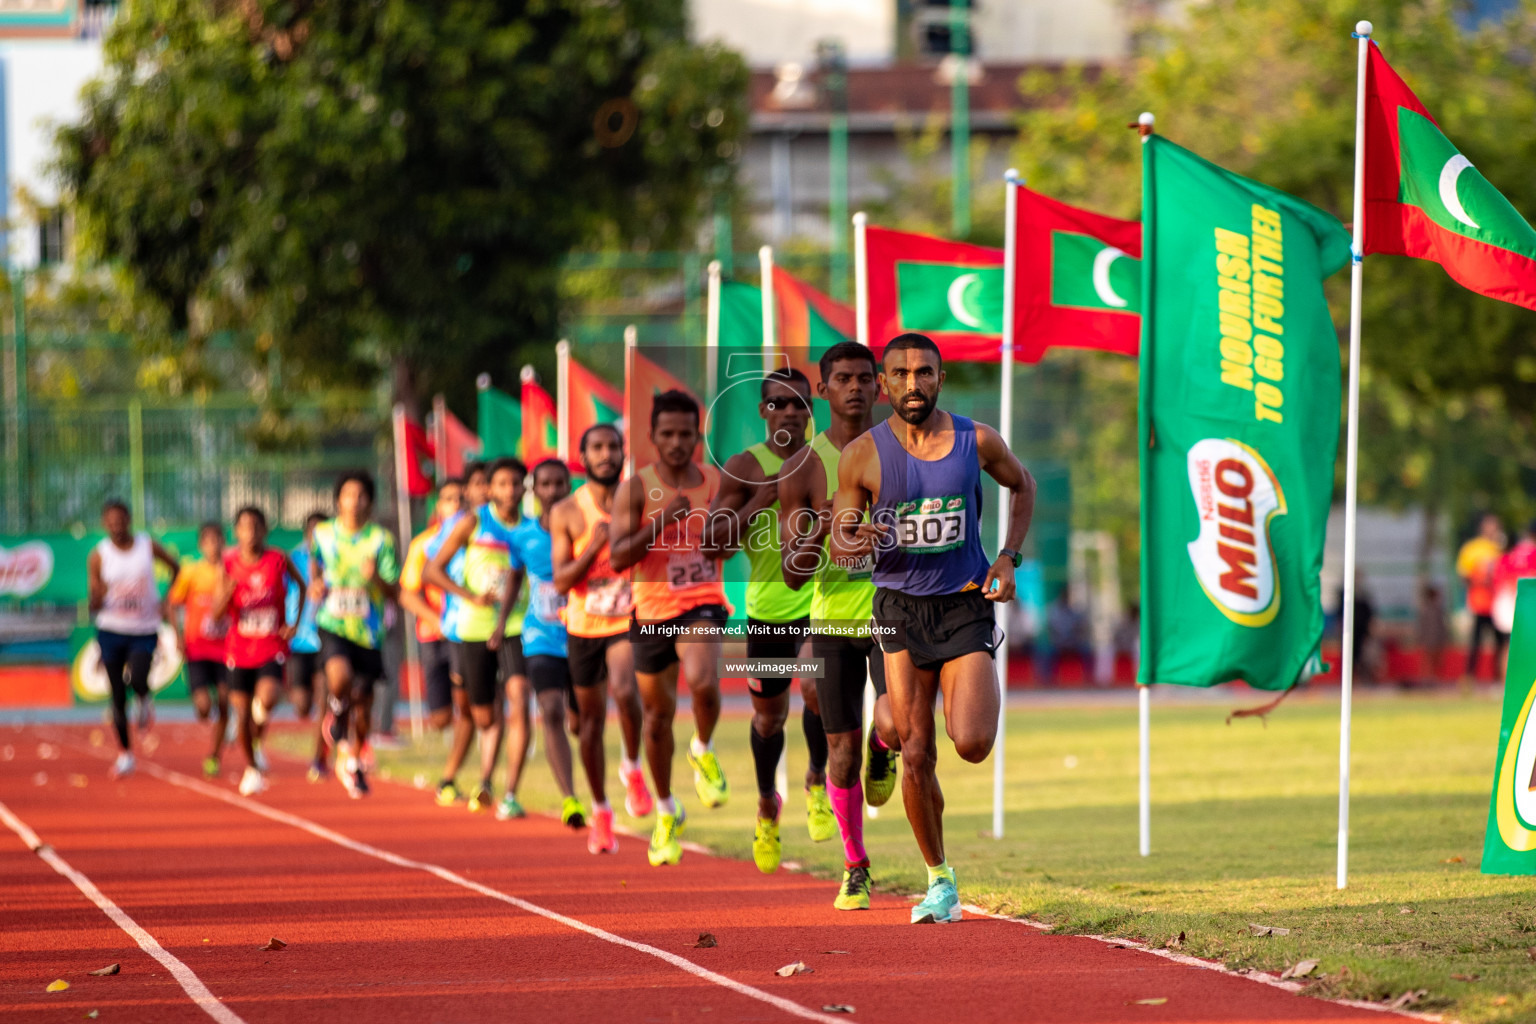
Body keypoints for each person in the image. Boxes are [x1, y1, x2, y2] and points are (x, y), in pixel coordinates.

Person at [831, 333, 1034, 924]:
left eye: (924, 372)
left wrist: (1007, 557)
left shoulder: (976, 439)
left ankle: (885, 725)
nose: (913, 384)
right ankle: (940, 881)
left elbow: (1022, 485)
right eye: (900, 374)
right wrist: (853, 541)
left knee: (970, 743)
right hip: (899, 610)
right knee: (916, 751)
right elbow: (844, 541)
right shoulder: (862, 456)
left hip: (964, 604)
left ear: (940, 378)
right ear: (884, 384)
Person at [778, 340, 902, 910]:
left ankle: (886, 745)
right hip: (832, 621)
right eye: (841, 379)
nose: (854, 387)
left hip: (896, 611)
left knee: (897, 723)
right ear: (822, 390)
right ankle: (856, 866)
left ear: (880, 386)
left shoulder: (905, 449)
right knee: (840, 753)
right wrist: (822, 526)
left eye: (864, 378)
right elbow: (792, 573)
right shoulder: (803, 467)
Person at [709, 367, 835, 874]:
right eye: (778, 403)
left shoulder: (828, 458)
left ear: (811, 410)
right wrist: (757, 500)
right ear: (763, 411)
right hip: (765, 611)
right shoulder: (745, 464)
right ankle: (766, 806)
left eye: (799, 403)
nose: (789, 411)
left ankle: (816, 781)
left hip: (820, 603)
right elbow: (713, 542)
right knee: (768, 718)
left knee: (818, 689)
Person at [610, 389, 731, 867]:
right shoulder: (636, 487)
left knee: (702, 680)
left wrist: (721, 537)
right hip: (651, 610)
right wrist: (661, 521)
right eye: (668, 434)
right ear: (652, 438)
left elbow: (728, 546)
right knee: (656, 718)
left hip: (701, 601)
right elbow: (620, 556)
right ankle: (665, 811)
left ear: (698, 436)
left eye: (686, 433)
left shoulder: (716, 482)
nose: (678, 442)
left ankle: (702, 747)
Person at [550, 424, 653, 832]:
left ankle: (631, 766)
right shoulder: (567, 512)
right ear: (583, 455)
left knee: (627, 691)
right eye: (597, 447)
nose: (606, 454)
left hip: (629, 618)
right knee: (588, 724)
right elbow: (561, 581)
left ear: (624, 452)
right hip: (583, 626)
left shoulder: (639, 500)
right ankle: (601, 809)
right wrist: (594, 547)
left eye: (613, 446)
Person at [496, 459, 602, 842]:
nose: (553, 490)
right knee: (551, 711)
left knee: (581, 721)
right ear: (534, 490)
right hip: (540, 637)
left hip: (583, 634)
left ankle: (592, 788)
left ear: (568, 487)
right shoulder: (523, 536)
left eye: (560, 483)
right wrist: (499, 625)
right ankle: (570, 799)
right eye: (545, 484)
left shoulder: (585, 528)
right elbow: (513, 581)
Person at [425, 457, 527, 816]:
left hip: (514, 625)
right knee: (484, 715)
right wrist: (469, 596)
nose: (504, 491)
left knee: (519, 699)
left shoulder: (529, 527)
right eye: (496, 484)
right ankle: (485, 775)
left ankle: (498, 786)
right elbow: (431, 571)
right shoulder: (472, 523)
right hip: (471, 627)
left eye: (513, 484)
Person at [308, 470, 401, 799]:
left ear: (370, 502)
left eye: (361, 495)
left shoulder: (381, 540)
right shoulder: (322, 534)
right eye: (348, 494)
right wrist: (316, 584)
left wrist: (376, 578)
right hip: (333, 623)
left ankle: (354, 760)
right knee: (339, 677)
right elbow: (315, 567)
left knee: (363, 703)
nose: (354, 501)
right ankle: (335, 711)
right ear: (338, 500)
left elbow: (394, 590)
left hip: (369, 630)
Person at [88, 500, 180, 778]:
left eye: (121, 520)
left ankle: (144, 697)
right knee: (116, 694)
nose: (116, 527)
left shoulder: (146, 545)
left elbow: (176, 569)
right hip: (111, 629)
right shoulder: (98, 555)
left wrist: (167, 600)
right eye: (111, 522)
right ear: (105, 524)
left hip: (144, 628)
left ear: (129, 519)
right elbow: (93, 603)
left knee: (139, 677)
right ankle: (125, 754)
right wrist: (100, 594)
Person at [218, 506, 304, 796]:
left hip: (270, 645)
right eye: (244, 527)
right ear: (236, 532)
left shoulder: (277, 559)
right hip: (239, 649)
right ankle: (252, 767)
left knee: (268, 697)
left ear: (265, 530)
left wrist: (294, 623)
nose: (250, 532)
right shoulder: (229, 564)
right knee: (242, 717)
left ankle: (258, 721)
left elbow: (301, 587)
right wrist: (227, 594)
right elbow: (217, 612)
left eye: (256, 526)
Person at [398, 477, 464, 778]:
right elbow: (408, 594)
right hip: (433, 632)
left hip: (467, 633)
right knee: (439, 717)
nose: (457, 504)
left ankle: (454, 771)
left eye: (462, 498)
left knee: (470, 700)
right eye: (450, 499)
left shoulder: (480, 540)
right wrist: (438, 620)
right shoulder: (423, 544)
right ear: (439, 505)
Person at [433, 462, 489, 805]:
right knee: (466, 709)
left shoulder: (510, 528)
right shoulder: (447, 534)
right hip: (460, 629)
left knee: (494, 706)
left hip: (503, 627)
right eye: (479, 484)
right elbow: (426, 573)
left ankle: (488, 782)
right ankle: (451, 776)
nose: (486, 490)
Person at [168, 521, 231, 778]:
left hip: (227, 649)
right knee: (204, 707)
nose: (214, 546)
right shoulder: (191, 572)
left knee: (226, 704)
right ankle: (211, 714)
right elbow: (172, 604)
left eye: (218, 540)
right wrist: (177, 635)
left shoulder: (231, 571)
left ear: (223, 542)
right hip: (197, 648)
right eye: (208, 541)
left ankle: (214, 755)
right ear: (201, 545)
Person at [287, 512, 330, 781]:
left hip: (327, 637)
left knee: (322, 700)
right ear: (306, 533)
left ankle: (318, 759)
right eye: (313, 531)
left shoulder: (336, 558)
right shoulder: (293, 559)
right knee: (302, 705)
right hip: (299, 639)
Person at [1457, 513, 1506, 682]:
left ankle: (1498, 679)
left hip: (1497, 606)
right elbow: (1463, 574)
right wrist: (1480, 579)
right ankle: (1469, 679)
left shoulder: (1500, 548)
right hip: (1479, 604)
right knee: (1475, 644)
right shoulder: (1472, 548)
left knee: (1500, 644)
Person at [1040, 585, 1091, 686]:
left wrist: (1074, 637)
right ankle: (1048, 680)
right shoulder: (1054, 611)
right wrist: (1060, 640)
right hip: (1058, 644)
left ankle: (1088, 679)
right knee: (1045, 652)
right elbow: (1052, 629)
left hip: (1073, 643)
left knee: (1087, 650)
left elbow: (1081, 628)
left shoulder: (1075, 611)